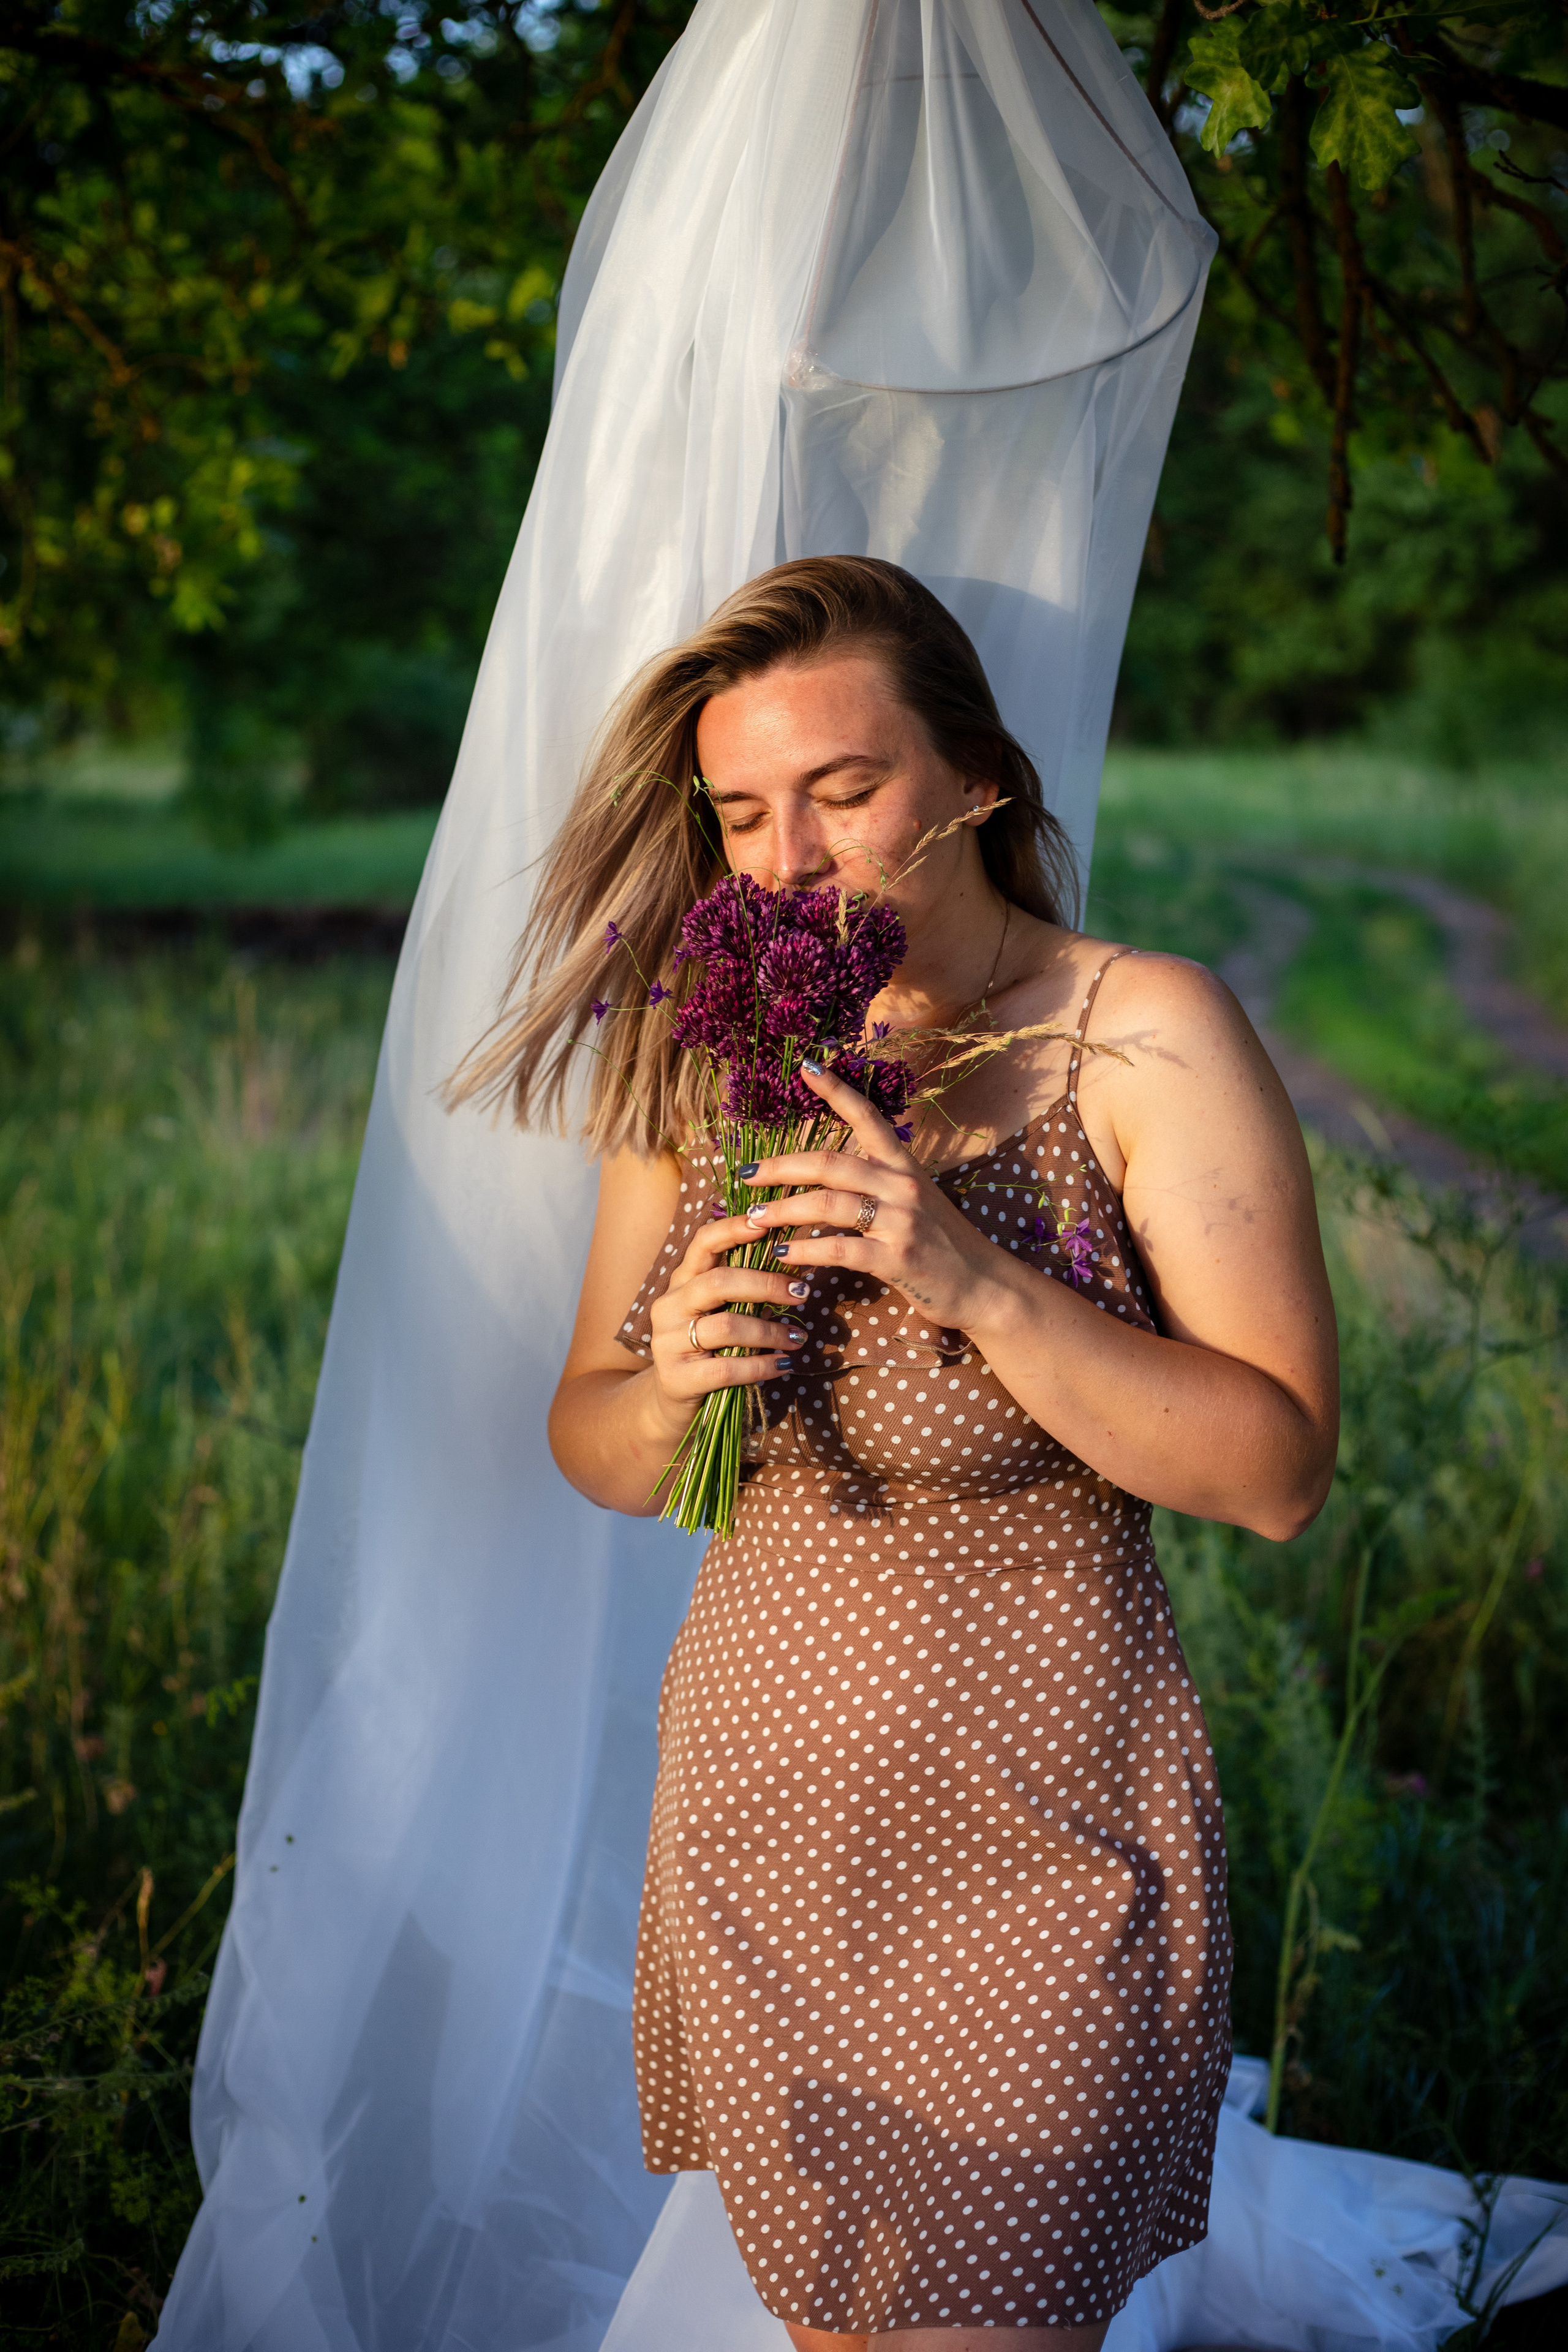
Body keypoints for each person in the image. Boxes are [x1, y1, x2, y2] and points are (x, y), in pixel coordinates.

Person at [450, 555, 1340, 2350]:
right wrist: (680, 1385)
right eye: (742, 814)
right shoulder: (710, 1050)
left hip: (1045, 1843)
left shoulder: (1140, 1033)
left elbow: (1274, 1468)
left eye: (846, 792)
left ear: (980, 779)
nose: (785, 860)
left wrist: (975, 1281)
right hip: (763, 1826)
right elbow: (601, 1447)